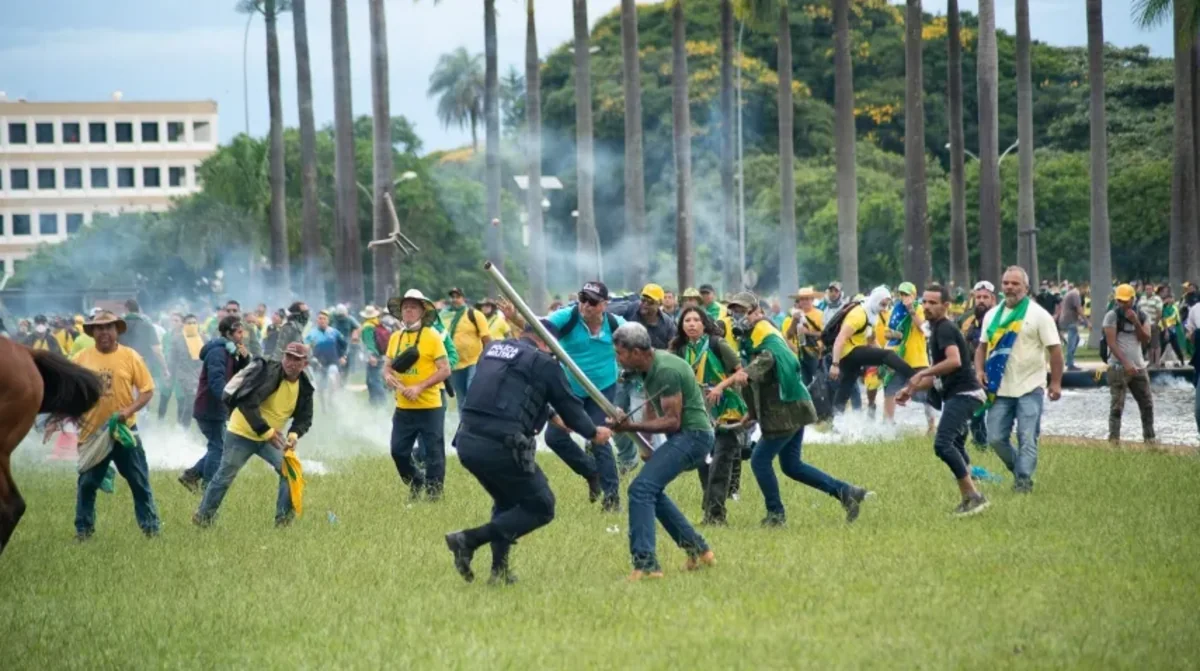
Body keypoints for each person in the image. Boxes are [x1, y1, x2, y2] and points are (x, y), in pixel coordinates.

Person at [444, 325, 615, 585]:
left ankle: (498, 573)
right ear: (548, 343)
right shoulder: (544, 363)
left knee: (507, 502)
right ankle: (468, 540)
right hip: (500, 445)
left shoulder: (493, 350)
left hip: (468, 442)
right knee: (542, 506)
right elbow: (571, 407)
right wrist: (593, 432)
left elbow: (508, 391)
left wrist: (549, 414)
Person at [725, 292, 869, 526]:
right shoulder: (750, 336)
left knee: (760, 461)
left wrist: (746, 373)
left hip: (786, 408)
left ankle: (776, 514)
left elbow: (772, 360)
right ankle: (846, 492)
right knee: (792, 466)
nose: (738, 316)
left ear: (758, 312)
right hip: (790, 405)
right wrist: (751, 411)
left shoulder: (764, 331)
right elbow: (754, 382)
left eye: (743, 311)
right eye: (734, 311)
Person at [608, 322, 716, 581]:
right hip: (683, 436)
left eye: (620, 353)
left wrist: (630, 426)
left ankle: (647, 566)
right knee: (651, 491)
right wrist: (644, 443)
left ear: (636, 351)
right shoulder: (647, 368)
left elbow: (672, 421)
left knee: (640, 490)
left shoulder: (665, 370)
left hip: (694, 437)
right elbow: (651, 407)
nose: (617, 358)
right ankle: (700, 552)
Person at [503, 281, 625, 511]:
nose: (585, 305)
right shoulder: (567, 317)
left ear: (604, 305)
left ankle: (612, 498)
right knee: (554, 438)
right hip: (570, 390)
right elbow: (538, 332)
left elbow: (637, 341)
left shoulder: (616, 324)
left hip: (603, 389)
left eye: (592, 301)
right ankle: (592, 473)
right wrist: (515, 318)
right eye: (582, 299)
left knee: (598, 439)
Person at [193, 342, 315, 527]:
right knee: (225, 476)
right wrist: (266, 432)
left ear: (305, 364)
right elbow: (247, 402)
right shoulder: (269, 373)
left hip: (271, 437)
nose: (291, 363)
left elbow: (304, 418)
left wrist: (293, 435)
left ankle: (282, 523)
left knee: (290, 473)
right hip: (242, 432)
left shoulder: (304, 386)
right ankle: (203, 517)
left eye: (297, 360)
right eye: (288, 357)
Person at [895, 285, 990, 516]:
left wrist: (921, 373)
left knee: (942, 444)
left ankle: (974, 496)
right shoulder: (937, 329)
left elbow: (954, 361)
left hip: (965, 394)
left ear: (946, 306)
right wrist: (911, 388)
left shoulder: (945, 328)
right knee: (954, 444)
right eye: (924, 302)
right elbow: (941, 374)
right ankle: (971, 494)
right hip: (960, 394)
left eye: (933, 302)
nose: (926, 306)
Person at [71, 311, 161, 540]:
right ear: (92, 332)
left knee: (139, 481)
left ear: (116, 331)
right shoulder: (81, 359)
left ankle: (151, 528)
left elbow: (147, 390)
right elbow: (70, 392)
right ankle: (83, 530)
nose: (104, 332)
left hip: (124, 431)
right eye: (99, 328)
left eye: (108, 327)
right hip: (93, 433)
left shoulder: (130, 356)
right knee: (87, 484)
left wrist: (128, 411)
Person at [974, 266, 1064, 493]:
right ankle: (1019, 471)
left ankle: (1023, 482)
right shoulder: (992, 315)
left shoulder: (1038, 315)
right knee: (994, 438)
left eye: (1015, 284)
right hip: (1000, 388)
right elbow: (981, 347)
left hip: (1030, 387)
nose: (1010, 288)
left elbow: (1055, 351)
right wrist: (979, 371)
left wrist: (1055, 382)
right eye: (1006, 283)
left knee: (1027, 438)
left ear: (1026, 287)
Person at [671, 306, 745, 525]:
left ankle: (715, 515)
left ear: (704, 324)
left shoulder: (717, 344)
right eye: (687, 320)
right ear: (681, 326)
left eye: (696, 320)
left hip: (726, 410)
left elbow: (741, 372)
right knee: (703, 461)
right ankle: (712, 508)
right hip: (698, 413)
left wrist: (720, 387)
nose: (692, 324)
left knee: (720, 462)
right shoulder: (679, 350)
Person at [385, 290, 452, 500]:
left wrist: (419, 387)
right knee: (398, 451)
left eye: (413, 307)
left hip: (430, 406)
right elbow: (387, 366)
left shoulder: (432, 336)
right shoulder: (395, 337)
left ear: (422, 311)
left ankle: (434, 494)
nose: (409, 311)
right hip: (404, 408)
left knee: (434, 453)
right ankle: (416, 479)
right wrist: (387, 376)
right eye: (405, 307)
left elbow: (445, 369)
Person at [180, 315, 251, 492]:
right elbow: (216, 381)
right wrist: (227, 400)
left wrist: (243, 359)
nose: (242, 335)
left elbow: (238, 374)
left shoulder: (230, 351)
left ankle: (192, 475)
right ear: (228, 333)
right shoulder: (218, 353)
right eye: (239, 332)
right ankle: (207, 486)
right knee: (218, 448)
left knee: (219, 446)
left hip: (217, 408)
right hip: (209, 408)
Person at [613, 284, 677, 471]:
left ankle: (658, 462)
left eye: (650, 302)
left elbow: (673, 351)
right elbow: (606, 310)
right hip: (621, 375)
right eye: (643, 299)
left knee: (642, 420)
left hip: (644, 379)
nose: (644, 305)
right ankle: (627, 459)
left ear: (659, 304)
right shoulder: (628, 310)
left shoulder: (668, 325)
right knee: (614, 415)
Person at [828, 286, 917, 413]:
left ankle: (836, 420)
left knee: (846, 386)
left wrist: (888, 361)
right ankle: (916, 377)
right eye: (882, 305)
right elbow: (840, 339)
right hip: (847, 352)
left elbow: (872, 340)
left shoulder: (870, 313)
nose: (884, 309)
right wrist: (835, 364)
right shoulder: (858, 315)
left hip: (852, 353)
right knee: (888, 354)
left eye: (886, 306)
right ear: (876, 300)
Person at [1103, 284, 1155, 444]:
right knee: (1117, 406)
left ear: (1133, 299)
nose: (1123, 304)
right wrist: (1125, 363)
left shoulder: (1143, 315)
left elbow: (1146, 339)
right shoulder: (1111, 316)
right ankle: (1114, 440)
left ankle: (1150, 439)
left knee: (1147, 404)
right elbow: (1111, 343)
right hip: (1118, 368)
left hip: (1139, 367)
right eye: (1119, 300)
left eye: (1126, 301)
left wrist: (1136, 322)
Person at [881, 282, 933, 430]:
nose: (904, 298)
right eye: (901, 294)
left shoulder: (920, 308)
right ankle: (888, 425)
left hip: (917, 359)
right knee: (889, 388)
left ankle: (931, 426)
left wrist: (911, 310)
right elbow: (887, 332)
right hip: (898, 358)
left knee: (924, 394)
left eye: (907, 294)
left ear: (914, 295)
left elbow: (924, 329)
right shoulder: (896, 310)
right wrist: (894, 334)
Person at [961, 281, 996, 448]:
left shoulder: (1000, 318)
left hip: (997, 371)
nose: (981, 300)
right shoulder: (966, 320)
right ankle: (981, 444)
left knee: (997, 410)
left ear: (993, 299)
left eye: (985, 297)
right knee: (975, 411)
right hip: (973, 372)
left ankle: (997, 442)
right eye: (978, 297)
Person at [442, 287, 492, 401]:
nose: (455, 299)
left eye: (457, 297)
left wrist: (489, 358)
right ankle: (463, 419)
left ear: (463, 298)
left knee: (471, 392)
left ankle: (473, 418)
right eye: (452, 297)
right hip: (455, 362)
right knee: (461, 397)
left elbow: (486, 338)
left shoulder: (474, 314)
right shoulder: (445, 316)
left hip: (473, 361)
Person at [164, 314, 204, 429]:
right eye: (189, 323)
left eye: (194, 323)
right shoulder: (178, 339)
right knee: (191, 399)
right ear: (184, 325)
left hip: (200, 374)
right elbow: (172, 360)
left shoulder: (203, 338)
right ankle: (183, 427)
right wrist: (169, 376)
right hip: (184, 374)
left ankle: (193, 426)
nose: (192, 325)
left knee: (197, 401)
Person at [304, 310, 348, 405]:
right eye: (320, 318)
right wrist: (306, 355)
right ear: (317, 320)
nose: (322, 320)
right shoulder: (312, 334)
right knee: (320, 387)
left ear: (328, 321)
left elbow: (343, 345)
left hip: (333, 361)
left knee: (332, 378)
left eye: (324, 319)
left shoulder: (334, 332)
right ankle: (323, 406)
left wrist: (343, 356)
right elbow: (306, 347)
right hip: (318, 363)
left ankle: (331, 399)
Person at [781, 287, 823, 385]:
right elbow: (789, 335)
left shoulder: (820, 314)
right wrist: (794, 321)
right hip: (801, 354)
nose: (805, 301)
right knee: (804, 384)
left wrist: (808, 332)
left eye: (807, 298)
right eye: (803, 299)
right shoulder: (795, 315)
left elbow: (825, 334)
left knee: (818, 384)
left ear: (812, 300)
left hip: (816, 353)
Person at [360, 305, 391, 406]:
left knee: (374, 381)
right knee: (372, 380)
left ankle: (381, 403)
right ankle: (374, 403)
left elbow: (369, 343)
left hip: (374, 357)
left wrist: (371, 356)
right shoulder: (377, 323)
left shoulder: (367, 327)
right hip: (381, 355)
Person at [1058, 283, 1087, 371]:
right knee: (1072, 341)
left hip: (1067, 319)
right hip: (1069, 320)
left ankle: (1069, 360)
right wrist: (1087, 321)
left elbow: (1074, 309)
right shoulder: (1075, 294)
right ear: (1082, 287)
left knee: (1076, 339)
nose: (1086, 292)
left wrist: (1080, 319)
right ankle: (1070, 363)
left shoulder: (1071, 293)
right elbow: (1078, 308)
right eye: (1085, 289)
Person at [1138, 286, 1165, 366]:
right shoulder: (1142, 298)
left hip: (1153, 323)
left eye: (1150, 289)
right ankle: (1150, 361)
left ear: (1153, 290)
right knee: (1148, 344)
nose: (1148, 290)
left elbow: (1159, 312)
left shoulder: (1157, 299)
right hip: (1144, 324)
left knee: (1156, 344)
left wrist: (1156, 323)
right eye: (1146, 289)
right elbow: (1139, 310)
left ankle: (1157, 362)